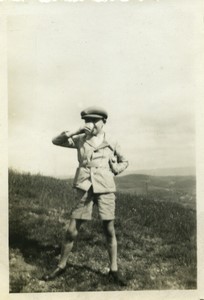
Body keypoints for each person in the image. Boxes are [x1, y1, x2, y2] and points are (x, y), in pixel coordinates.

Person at [42, 106, 129, 285]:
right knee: (71, 229)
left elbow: (125, 161)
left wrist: (115, 168)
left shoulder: (112, 141)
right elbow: (56, 141)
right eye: (87, 121)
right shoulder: (81, 139)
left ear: (104, 121)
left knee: (109, 229)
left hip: (105, 187)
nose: (91, 124)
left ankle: (114, 269)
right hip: (85, 186)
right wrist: (76, 130)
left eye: (95, 120)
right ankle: (61, 265)